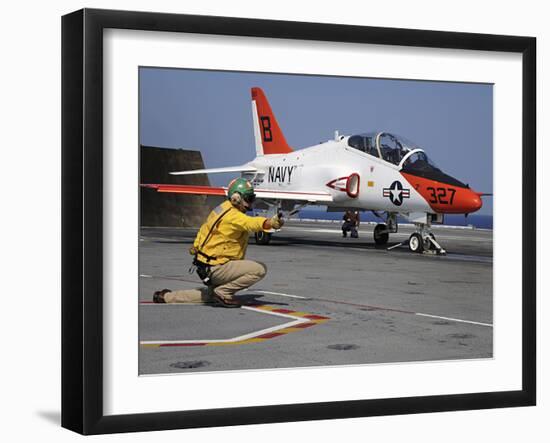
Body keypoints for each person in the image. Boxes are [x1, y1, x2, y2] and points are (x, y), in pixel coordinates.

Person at [152, 178, 284, 308]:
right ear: (236, 198)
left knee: (209, 296)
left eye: (252, 199)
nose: (251, 204)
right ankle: (224, 292)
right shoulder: (233, 216)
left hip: (206, 267)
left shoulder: (221, 209)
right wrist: (270, 223)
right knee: (259, 269)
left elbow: (204, 228)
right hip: (218, 268)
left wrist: (196, 247)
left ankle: (165, 297)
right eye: (249, 199)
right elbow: (251, 223)